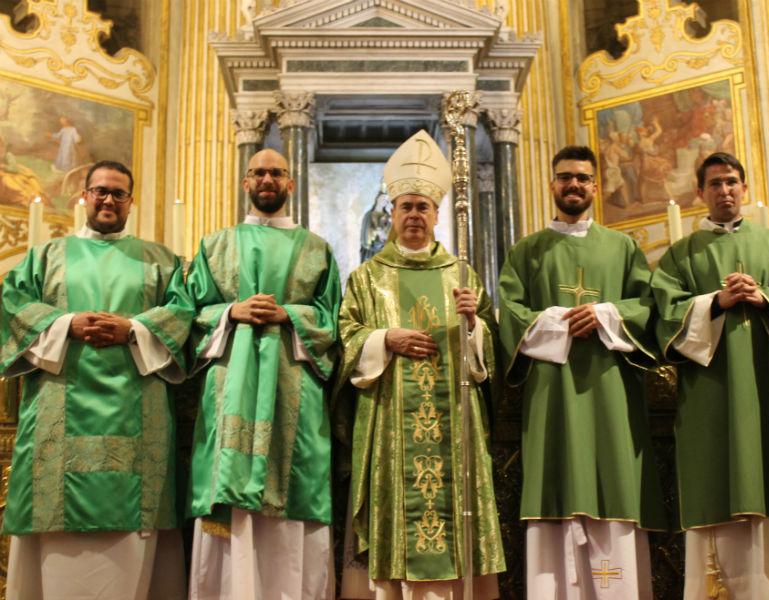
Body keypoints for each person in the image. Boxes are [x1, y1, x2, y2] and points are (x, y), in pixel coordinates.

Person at [0, 160, 193, 599]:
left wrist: (133, 330)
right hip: (57, 411)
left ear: (130, 201)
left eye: (118, 193)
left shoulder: (160, 260)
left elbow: (183, 315)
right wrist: (67, 323)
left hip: (136, 412)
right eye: (100, 191)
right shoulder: (46, 256)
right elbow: (11, 304)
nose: (108, 199)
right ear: (83, 196)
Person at [650, 152, 769, 598]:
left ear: (745, 189)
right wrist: (716, 302)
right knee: (719, 485)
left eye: (732, 182)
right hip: (713, 398)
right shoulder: (680, 256)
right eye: (714, 184)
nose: (724, 191)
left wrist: (764, 298)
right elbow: (665, 318)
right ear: (700, 193)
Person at [336, 130, 505, 599]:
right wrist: (383, 338)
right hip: (392, 421)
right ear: (392, 213)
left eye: (422, 207)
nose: (414, 214)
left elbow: (487, 358)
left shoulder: (463, 274)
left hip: (454, 425)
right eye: (406, 206)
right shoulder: (367, 278)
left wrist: (474, 326)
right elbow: (345, 339)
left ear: (436, 214)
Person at [497, 145, 665, 598]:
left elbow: (650, 306)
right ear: (552, 184)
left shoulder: (624, 247)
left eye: (583, 178)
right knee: (555, 486)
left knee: (615, 484)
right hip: (552, 394)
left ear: (596, 186)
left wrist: (607, 315)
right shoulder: (527, 251)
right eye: (565, 177)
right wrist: (560, 320)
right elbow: (509, 312)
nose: (574, 184)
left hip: (611, 393)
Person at [186, 148, 341, 599]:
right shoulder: (214, 245)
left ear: (291, 184)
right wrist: (231, 310)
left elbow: (332, 320)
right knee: (229, 500)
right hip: (230, 385)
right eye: (258, 172)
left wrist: (289, 315)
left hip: (294, 385)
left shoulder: (316, 249)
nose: (267, 179)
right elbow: (185, 313)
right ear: (245, 183)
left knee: (295, 494)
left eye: (276, 172)